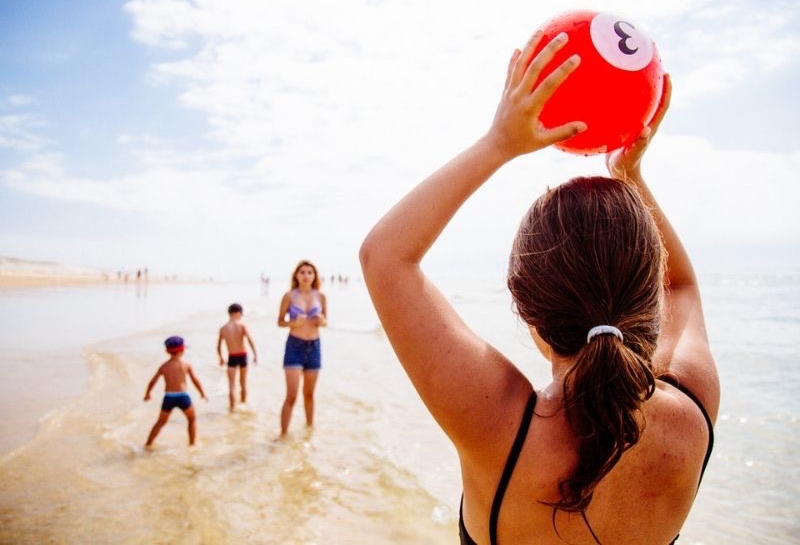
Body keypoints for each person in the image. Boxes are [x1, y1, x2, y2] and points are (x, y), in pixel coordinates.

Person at [359, 30, 719, 544]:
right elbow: (683, 288)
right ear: (648, 300)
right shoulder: (691, 408)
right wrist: (630, 173)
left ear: (529, 313)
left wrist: (498, 144)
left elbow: (386, 255)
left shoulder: (498, 427)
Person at [277, 260, 327, 435]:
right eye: (302, 272)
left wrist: (321, 321)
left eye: (310, 272)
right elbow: (280, 321)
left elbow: (325, 321)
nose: (306, 275)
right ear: (296, 275)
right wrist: (292, 322)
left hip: (314, 346)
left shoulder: (320, 296)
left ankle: (309, 432)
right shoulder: (289, 296)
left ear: (314, 276)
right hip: (294, 346)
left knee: (309, 395)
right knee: (291, 395)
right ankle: (283, 435)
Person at [144, 336, 208, 448]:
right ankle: (192, 444)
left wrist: (148, 394)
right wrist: (202, 393)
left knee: (161, 422)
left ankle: (148, 444)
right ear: (182, 350)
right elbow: (195, 380)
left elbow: (152, 381)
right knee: (191, 419)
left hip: (169, 397)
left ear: (167, 351)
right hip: (183, 397)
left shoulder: (164, 366)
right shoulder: (186, 365)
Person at [217, 303, 258, 411]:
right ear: (238, 313)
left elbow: (218, 345)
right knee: (243, 383)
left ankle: (232, 409)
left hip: (232, 356)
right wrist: (255, 354)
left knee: (231, 385)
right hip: (243, 355)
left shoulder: (223, 328)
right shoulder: (242, 325)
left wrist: (221, 358)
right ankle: (244, 405)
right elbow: (250, 340)